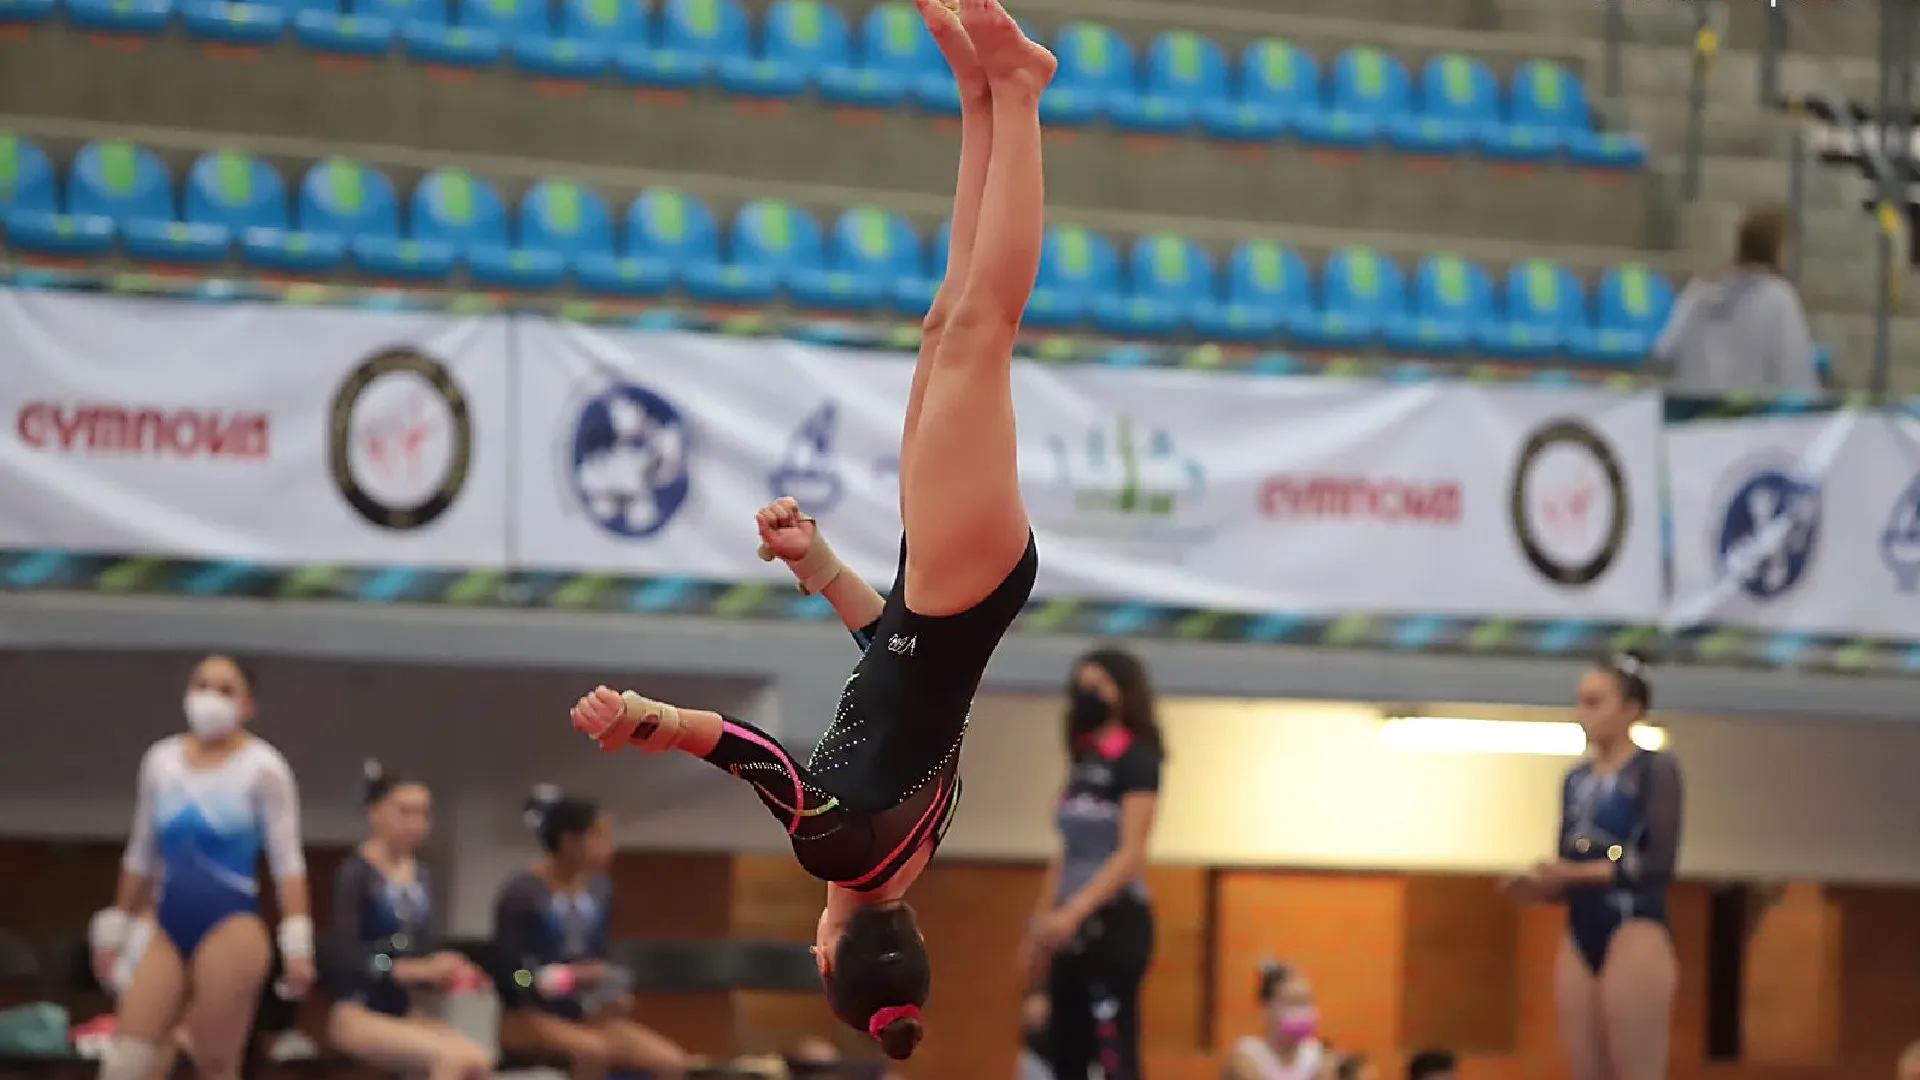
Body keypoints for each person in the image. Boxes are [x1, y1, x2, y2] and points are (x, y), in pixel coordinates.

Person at [566, 0, 1054, 1061]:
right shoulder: (842, 850)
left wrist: (820, 565)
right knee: (981, 334)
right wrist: (645, 717)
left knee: (947, 325)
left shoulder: (900, 849)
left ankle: (980, 96)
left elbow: (895, 667)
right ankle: (1018, 94)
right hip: (957, 578)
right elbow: (753, 757)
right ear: (827, 959)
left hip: (942, 585)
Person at [88, 653, 313, 1080]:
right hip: (167, 925)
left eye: (226, 690)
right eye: (201, 685)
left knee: (214, 1062)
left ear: (249, 706)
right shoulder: (161, 761)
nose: (210, 697)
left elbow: (287, 861)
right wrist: (116, 925)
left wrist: (298, 942)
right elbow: (142, 850)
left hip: (230, 924)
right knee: (125, 1060)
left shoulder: (264, 769)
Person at [1502, 652, 1683, 1080]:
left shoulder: (1655, 770)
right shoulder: (1575, 780)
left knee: (1635, 1070)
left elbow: (1657, 863)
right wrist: (1540, 886)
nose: (1581, 713)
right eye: (1580, 701)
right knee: (1585, 1070)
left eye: (1594, 702)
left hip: (1635, 923)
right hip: (1582, 926)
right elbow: (1569, 862)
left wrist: (1571, 874)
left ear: (1630, 710)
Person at [1020, 648, 1164, 1080]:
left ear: (1123, 691)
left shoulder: (1137, 758)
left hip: (1114, 922)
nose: (1089, 695)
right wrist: (1043, 924)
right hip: (1068, 925)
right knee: (1064, 1047)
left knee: (1114, 1048)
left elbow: (1131, 853)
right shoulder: (1083, 760)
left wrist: (1074, 913)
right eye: (1082, 686)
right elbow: (1066, 850)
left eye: (1099, 685)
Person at [492, 787, 687, 1080]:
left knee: (669, 1061)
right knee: (591, 1052)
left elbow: (599, 957)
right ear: (570, 841)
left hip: (586, 1014)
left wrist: (610, 992)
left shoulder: (600, 891)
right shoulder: (522, 894)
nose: (610, 846)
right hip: (527, 1016)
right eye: (599, 836)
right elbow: (512, 977)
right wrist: (567, 978)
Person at [322, 762, 492, 1080]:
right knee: (452, 1062)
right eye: (405, 812)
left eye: (423, 813)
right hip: (356, 1010)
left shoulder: (420, 876)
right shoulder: (355, 874)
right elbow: (346, 957)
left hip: (402, 1011)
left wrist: (449, 971)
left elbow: (418, 949)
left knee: (479, 1062)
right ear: (376, 814)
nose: (416, 823)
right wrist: (406, 970)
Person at [1656, 204, 1820, 393]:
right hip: (1752, 416)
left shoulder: (1700, 290)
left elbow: (1665, 351)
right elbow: (1796, 374)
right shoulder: (1779, 298)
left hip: (1698, 413)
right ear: (1778, 249)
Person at [1224, 962, 1326, 1080]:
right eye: (1292, 1003)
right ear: (1266, 1007)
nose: (1302, 1012)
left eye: (1306, 1002)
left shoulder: (1316, 1054)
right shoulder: (1247, 1055)